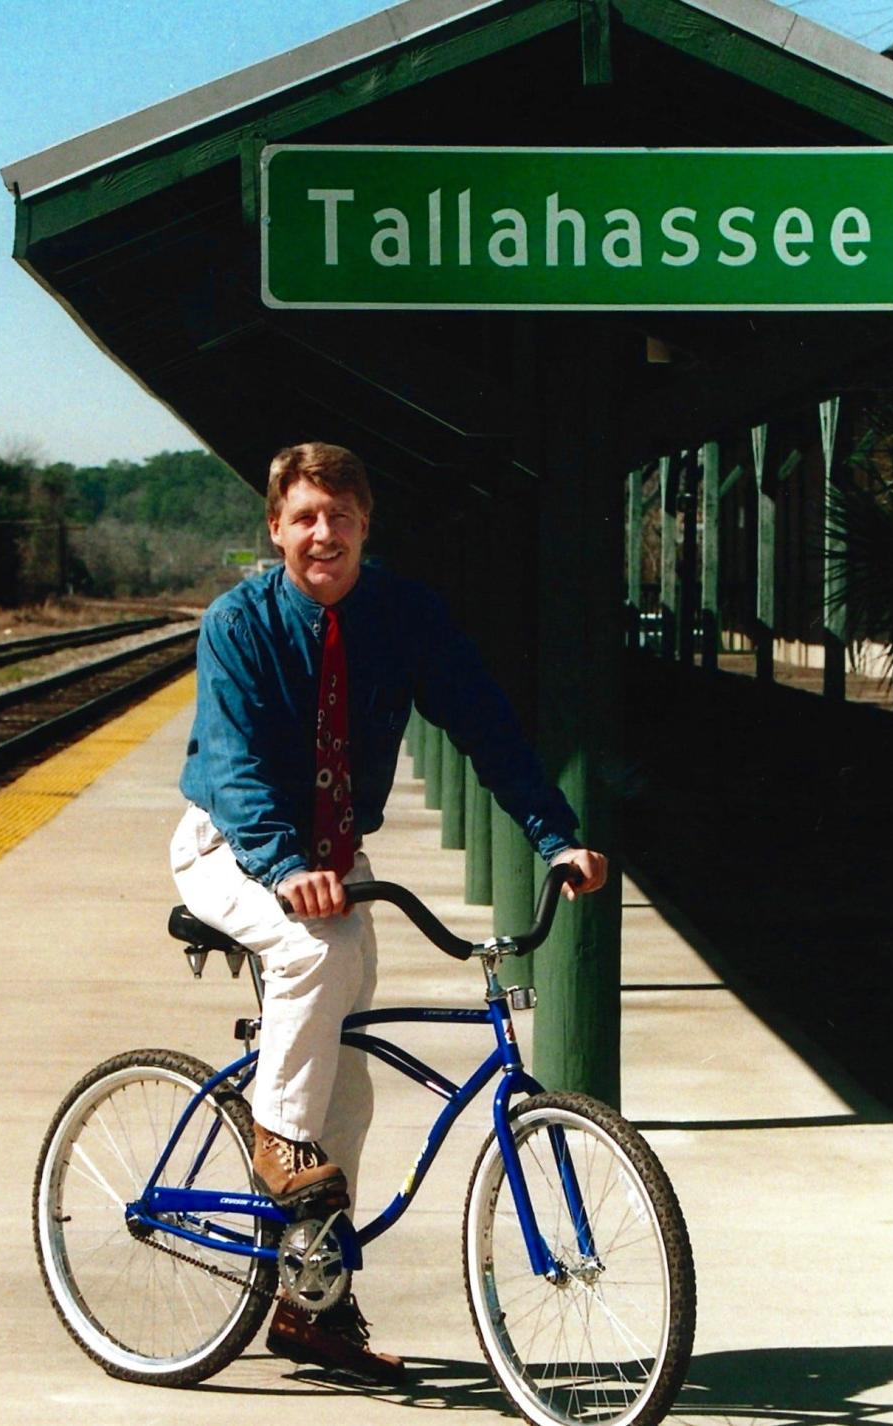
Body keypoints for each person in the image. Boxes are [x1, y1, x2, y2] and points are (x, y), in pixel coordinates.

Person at [170, 441, 608, 1384]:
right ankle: (277, 1137)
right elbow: (237, 768)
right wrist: (285, 865)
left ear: (367, 525)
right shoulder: (238, 624)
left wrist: (553, 838)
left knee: (352, 1091)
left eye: (340, 517)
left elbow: (487, 725)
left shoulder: (408, 616)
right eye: (303, 519)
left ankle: (310, 1306)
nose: (321, 534)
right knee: (317, 955)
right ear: (277, 531)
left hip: (331, 857)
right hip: (232, 845)